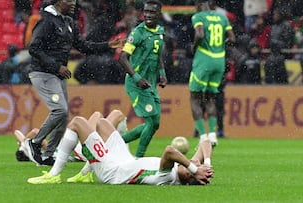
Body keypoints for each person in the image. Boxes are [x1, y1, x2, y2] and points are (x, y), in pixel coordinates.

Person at [24, 0, 123, 166]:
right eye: (69, 0)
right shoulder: (46, 21)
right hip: (43, 73)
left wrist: (107, 45)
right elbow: (33, 48)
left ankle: (48, 155)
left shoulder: (68, 22)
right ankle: (34, 143)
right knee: (60, 110)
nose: (73, 3)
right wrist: (56, 66)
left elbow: (83, 46)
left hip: (56, 75)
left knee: (63, 116)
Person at [27, 113, 213, 185]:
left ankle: (54, 174)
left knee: (77, 122)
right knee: (101, 123)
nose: (193, 163)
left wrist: (195, 169)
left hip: (111, 170)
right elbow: (205, 143)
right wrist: (206, 164)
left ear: (188, 176)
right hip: (125, 159)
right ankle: (85, 171)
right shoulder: (187, 171)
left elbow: (169, 151)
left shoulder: (169, 177)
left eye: (190, 169)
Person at [118, 0, 167, 158]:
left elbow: (158, 53)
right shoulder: (138, 33)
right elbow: (123, 58)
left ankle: (115, 143)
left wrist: (162, 73)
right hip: (136, 84)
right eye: (146, 11)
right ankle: (138, 159)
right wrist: (137, 77)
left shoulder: (160, 31)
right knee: (151, 122)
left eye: (152, 12)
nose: (147, 15)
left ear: (159, 14)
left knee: (155, 124)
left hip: (150, 84)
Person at [189, 0, 235, 148]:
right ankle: (213, 135)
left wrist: (194, 47)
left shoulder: (198, 16)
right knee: (210, 97)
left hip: (204, 60)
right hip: (219, 61)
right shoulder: (222, 17)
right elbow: (232, 39)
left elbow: (200, 34)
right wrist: (219, 46)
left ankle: (203, 136)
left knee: (195, 98)